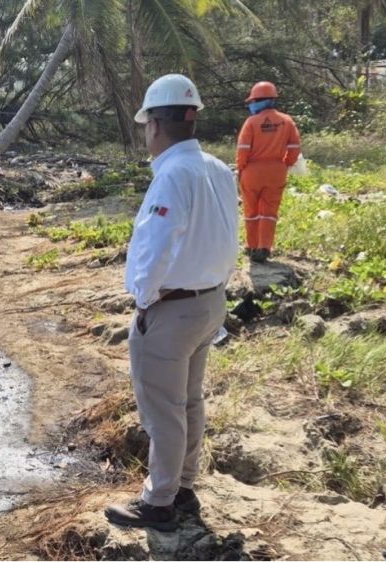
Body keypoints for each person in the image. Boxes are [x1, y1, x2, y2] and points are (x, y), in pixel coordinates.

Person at [104, 74, 239, 532]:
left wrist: (144, 302)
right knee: (188, 401)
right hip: (210, 302)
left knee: (162, 408)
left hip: (173, 309)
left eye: (144, 126)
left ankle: (158, 502)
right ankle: (182, 484)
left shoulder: (172, 175)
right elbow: (227, 234)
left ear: (155, 126)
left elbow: (156, 246)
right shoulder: (217, 170)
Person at [236, 81, 301, 263]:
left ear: (257, 100)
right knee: (269, 211)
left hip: (252, 171)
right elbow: (295, 148)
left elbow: (242, 150)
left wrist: (241, 168)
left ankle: (252, 246)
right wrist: (285, 164)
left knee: (251, 210)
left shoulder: (251, 122)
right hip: (276, 171)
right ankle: (265, 246)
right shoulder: (287, 121)